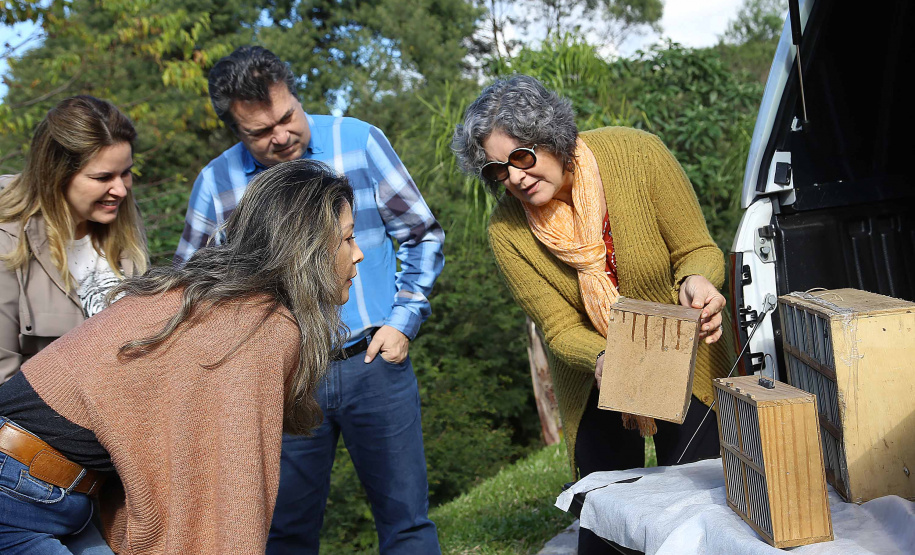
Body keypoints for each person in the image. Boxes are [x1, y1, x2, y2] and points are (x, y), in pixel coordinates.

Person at [0, 159, 364, 554]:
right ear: (308, 247)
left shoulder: (224, 301)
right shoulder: (258, 324)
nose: (358, 254)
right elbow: (231, 499)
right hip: (16, 497)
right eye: (347, 239)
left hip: (50, 493)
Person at [175, 46, 445, 554]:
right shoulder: (217, 184)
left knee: (407, 522)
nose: (280, 137)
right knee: (284, 532)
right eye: (259, 132)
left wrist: (403, 321)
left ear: (295, 95)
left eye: (286, 117)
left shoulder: (358, 141)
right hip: (284, 376)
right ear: (234, 130)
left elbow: (421, 234)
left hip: (374, 360)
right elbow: (193, 286)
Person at [452, 75, 734, 555]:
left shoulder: (638, 154)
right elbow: (559, 327)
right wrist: (608, 356)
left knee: (705, 507)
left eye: (522, 157)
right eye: (498, 170)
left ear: (555, 137)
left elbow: (698, 250)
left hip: (687, 356)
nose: (515, 177)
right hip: (595, 374)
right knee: (607, 526)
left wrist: (698, 281)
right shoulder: (506, 231)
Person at [0, 96, 148, 383]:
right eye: (102, 177)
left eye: (126, 173)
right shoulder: (8, 243)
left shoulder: (124, 219)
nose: (120, 189)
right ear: (56, 175)